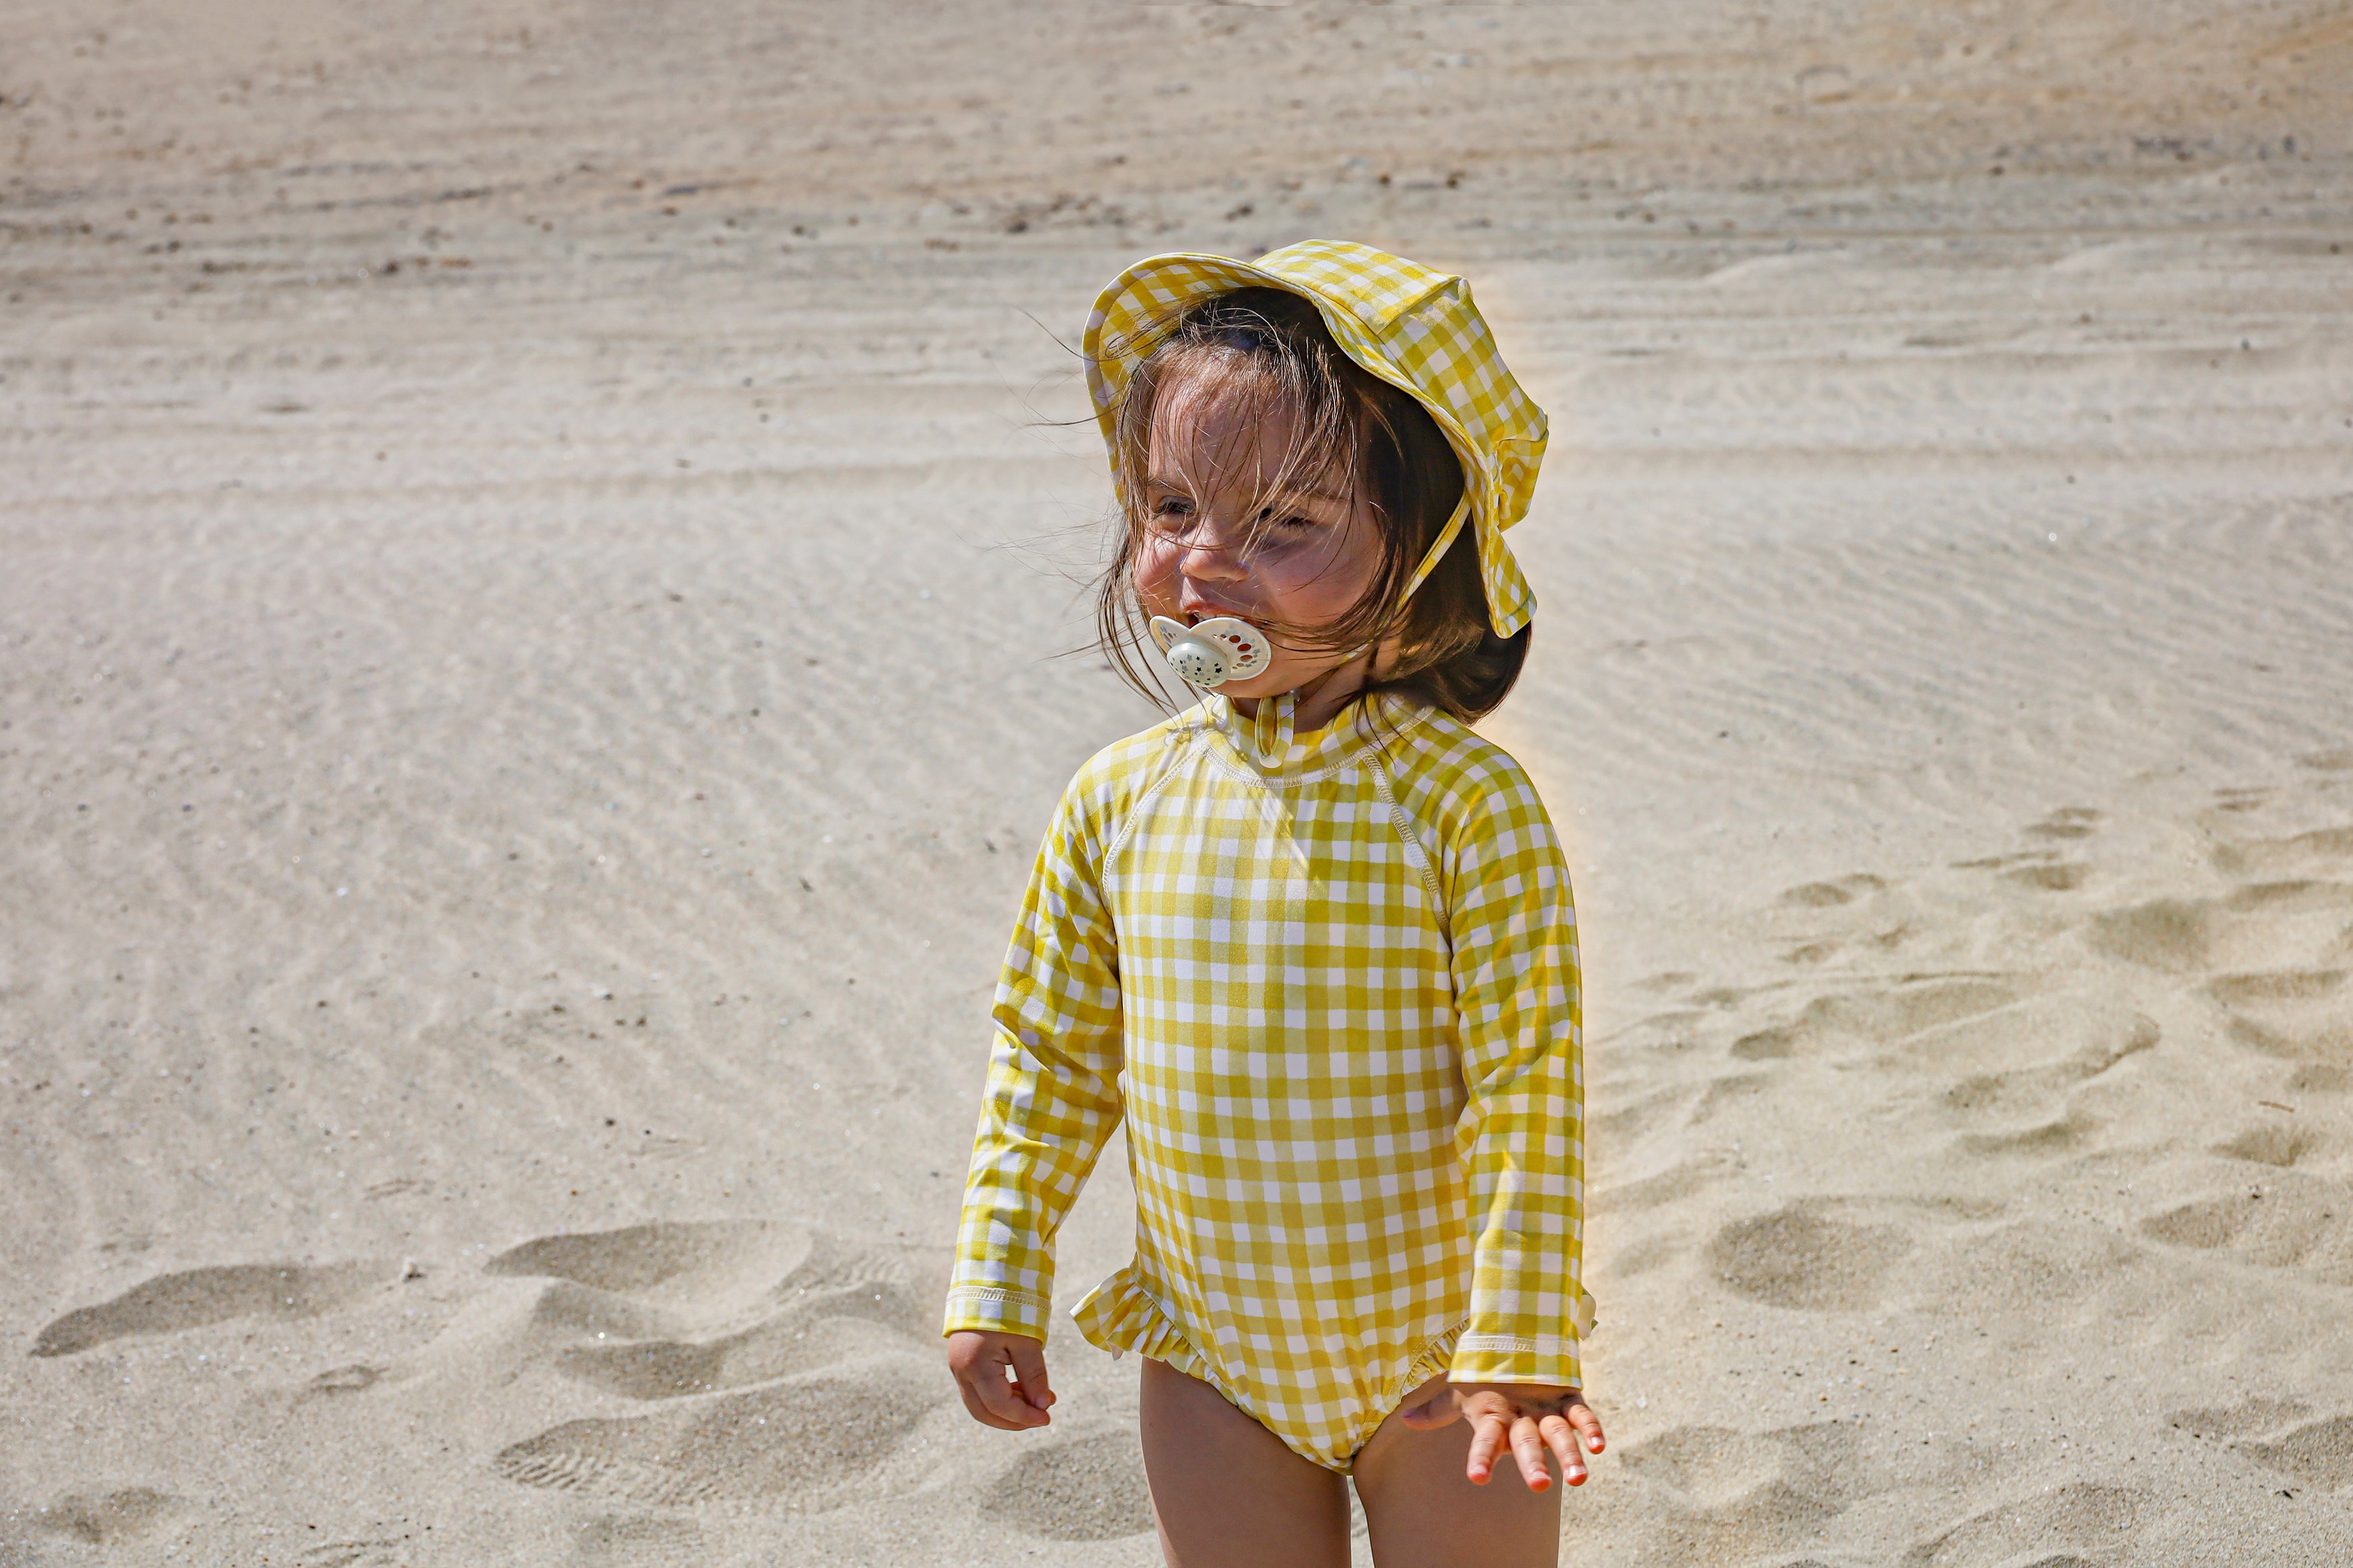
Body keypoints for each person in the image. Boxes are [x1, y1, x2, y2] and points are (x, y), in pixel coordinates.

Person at [942, 241, 1601, 1568]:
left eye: (1285, 523)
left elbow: (1527, 1075)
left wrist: (1520, 1330)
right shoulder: (1117, 800)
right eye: (1171, 503)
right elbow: (1052, 1051)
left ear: (1417, 548)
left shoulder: (1464, 806)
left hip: (1438, 1364)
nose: (1205, 563)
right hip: (1212, 1362)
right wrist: (996, 1268)